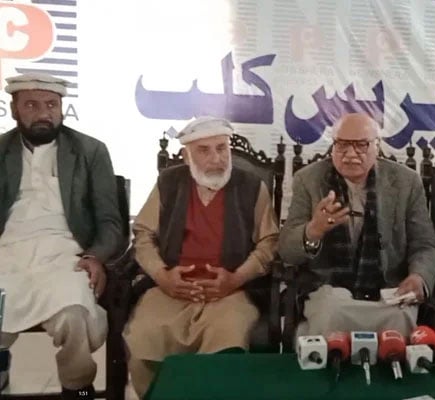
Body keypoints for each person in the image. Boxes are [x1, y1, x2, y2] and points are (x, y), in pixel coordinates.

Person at [122, 116, 279, 398]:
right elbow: (144, 235)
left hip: (230, 291)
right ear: (186, 155)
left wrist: (237, 278)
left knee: (226, 343)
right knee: (143, 339)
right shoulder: (169, 183)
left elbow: (269, 242)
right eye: (204, 150)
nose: (216, 158)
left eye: (222, 148)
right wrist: (162, 276)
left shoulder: (252, 186)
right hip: (172, 288)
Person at [0, 73, 123, 399]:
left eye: (52, 105)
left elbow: (110, 221)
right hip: (7, 253)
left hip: (65, 254)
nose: (44, 113)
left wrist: (96, 256)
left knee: (73, 313)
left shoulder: (90, 151)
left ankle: (77, 386)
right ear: (14, 110)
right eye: (32, 105)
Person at [279, 113, 435, 337]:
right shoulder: (308, 180)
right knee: (332, 311)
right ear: (333, 146)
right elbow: (286, 251)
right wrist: (313, 231)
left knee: (398, 316)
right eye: (342, 145)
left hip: (388, 290)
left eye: (361, 145)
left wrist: (419, 277)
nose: (350, 154)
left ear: (377, 147)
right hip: (328, 288)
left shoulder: (406, 182)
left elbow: (426, 244)